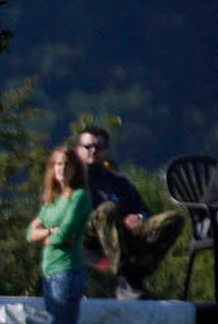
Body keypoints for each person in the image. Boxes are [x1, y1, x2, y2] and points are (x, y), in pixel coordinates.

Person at [74, 125, 186, 299]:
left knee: (173, 219)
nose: (93, 151)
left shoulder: (118, 181)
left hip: (124, 235)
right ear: (78, 149)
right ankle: (124, 278)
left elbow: (144, 211)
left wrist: (139, 218)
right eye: (88, 146)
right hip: (88, 237)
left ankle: (137, 274)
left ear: (106, 151)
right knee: (108, 209)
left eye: (99, 147)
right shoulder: (73, 180)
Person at [26, 143, 90, 324]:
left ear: (75, 168)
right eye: (57, 164)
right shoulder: (51, 200)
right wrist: (48, 232)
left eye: (67, 164)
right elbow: (31, 233)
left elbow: (64, 236)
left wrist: (49, 233)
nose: (62, 170)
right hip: (49, 272)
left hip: (67, 272)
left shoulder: (79, 198)